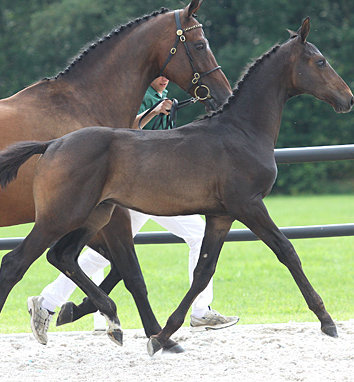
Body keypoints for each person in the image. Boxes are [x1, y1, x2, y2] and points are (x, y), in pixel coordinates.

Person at [27, 77, 239, 345]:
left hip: (160, 186)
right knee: (105, 255)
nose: (164, 78)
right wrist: (153, 112)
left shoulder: (164, 96)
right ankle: (47, 303)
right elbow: (127, 130)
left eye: (166, 75)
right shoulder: (139, 95)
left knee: (195, 235)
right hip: (139, 188)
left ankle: (200, 310)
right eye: (160, 74)